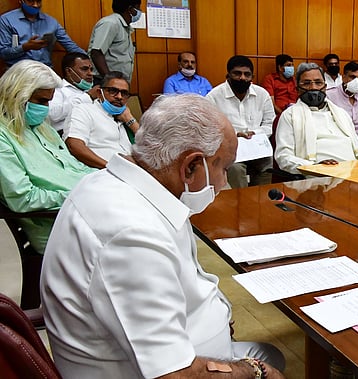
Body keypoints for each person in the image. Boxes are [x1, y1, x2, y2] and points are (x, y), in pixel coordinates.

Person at [41, 94, 286, 378]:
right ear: (191, 166)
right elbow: (173, 374)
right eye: (224, 168)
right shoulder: (131, 235)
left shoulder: (126, 184)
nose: (223, 182)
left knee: (273, 353)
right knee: (269, 365)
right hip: (155, 370)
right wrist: (255, 372)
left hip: (183, 346)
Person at [0, 60, 93, 255]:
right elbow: (23, 199)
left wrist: (104, 179)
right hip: (59, 225)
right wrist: (80, 194)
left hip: (85, 210)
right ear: (17, 96)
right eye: (42, 101)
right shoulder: (3, 137)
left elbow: (73, 168)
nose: (46, 108)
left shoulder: (42, 127)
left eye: (49, 101)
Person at [275, 63, 358, 171]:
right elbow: (283, 157)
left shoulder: (341, 114)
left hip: (354, 171)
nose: (313, 88)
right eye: (307, 83)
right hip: (319, 178)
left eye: (318, 82)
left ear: (325, 87)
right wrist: (314, 167)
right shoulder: (290, 115)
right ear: (297, 89)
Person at [206, 55, 275, 188]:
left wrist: (255, 133)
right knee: (236, 169)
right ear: (228, 75)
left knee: (268, 164)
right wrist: (235, 135)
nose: (242, 78)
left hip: (257, 147)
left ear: (252, 77)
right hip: (229, 149)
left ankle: (261, 201)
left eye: (247, 74)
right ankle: (242, 202)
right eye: (237, 73)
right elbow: (209, 129)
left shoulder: (262, 94)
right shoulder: (214, 96)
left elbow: (270, 123)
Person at [64, 71, 139, 168]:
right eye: (113, 91)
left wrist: (130, 120)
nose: (119, 97)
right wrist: (110, 167)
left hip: (131, 170)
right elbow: (74, 146)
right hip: (102, 171)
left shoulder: (124, 117)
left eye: (124, 93)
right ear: (99, 93)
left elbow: (150, 145)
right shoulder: (84, 110)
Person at [0, 0, 85, 67]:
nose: (36, 5)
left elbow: (71, 46)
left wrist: (88, 59)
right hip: (18, 72)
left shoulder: (51, 22)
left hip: (45, 71)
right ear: (21, 1)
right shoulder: (6, 20)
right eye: (31, 1)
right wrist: (25, 47)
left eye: (38, 1)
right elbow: (3, 54)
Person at [89, 0, 142, 83]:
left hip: (118, 82)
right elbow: (96, 53)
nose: (140, 12)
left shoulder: (124, 27)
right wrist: (110, 81)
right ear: (130, 9)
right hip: (103, 81)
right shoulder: (110, 23)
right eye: (138, 8)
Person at [48, 52, 100, 133]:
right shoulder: (58, 90)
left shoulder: (95, 92)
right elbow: (52, 115)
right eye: (84, 69)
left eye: (91, 70)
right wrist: (88, 97)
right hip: (67, 134)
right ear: (69, 71)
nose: (90, 73)